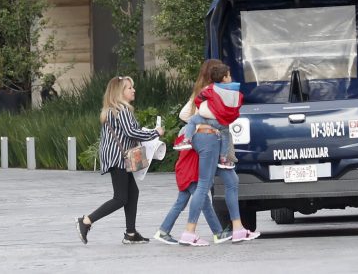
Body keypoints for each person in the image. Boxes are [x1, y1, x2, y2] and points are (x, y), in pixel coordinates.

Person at [175, 60, 259, 246]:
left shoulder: (211, 91)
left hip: (214, 140)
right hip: (208, 139)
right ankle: (189, 232)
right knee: (204, 185)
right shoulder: (209, 91)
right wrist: (203, 123)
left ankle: (238, 229)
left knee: (232, 181)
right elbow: (186, 114)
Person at [75, 76, 164, 245]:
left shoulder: (113, 110)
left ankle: (131, 233)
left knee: (133, 193)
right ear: (119, 92)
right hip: (119, 158)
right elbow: (131, 132)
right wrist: (155, 133)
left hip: (118, 156)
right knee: (120, 198)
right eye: (129, 88)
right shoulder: (121, 109)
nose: (133, 90)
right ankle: (86, 221)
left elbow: (128, 132)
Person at [174, 63, 242, 169]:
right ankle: (224, 159)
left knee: (193, 120)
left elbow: (184, 113)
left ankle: (186, 140)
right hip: (221, 124)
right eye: (229, 75)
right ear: (224, 77)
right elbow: (236, 106)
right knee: (226, 134)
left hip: (206, 127)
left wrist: (201, 115)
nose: (231, 77)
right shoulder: (233, 90)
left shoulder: (208, 89)